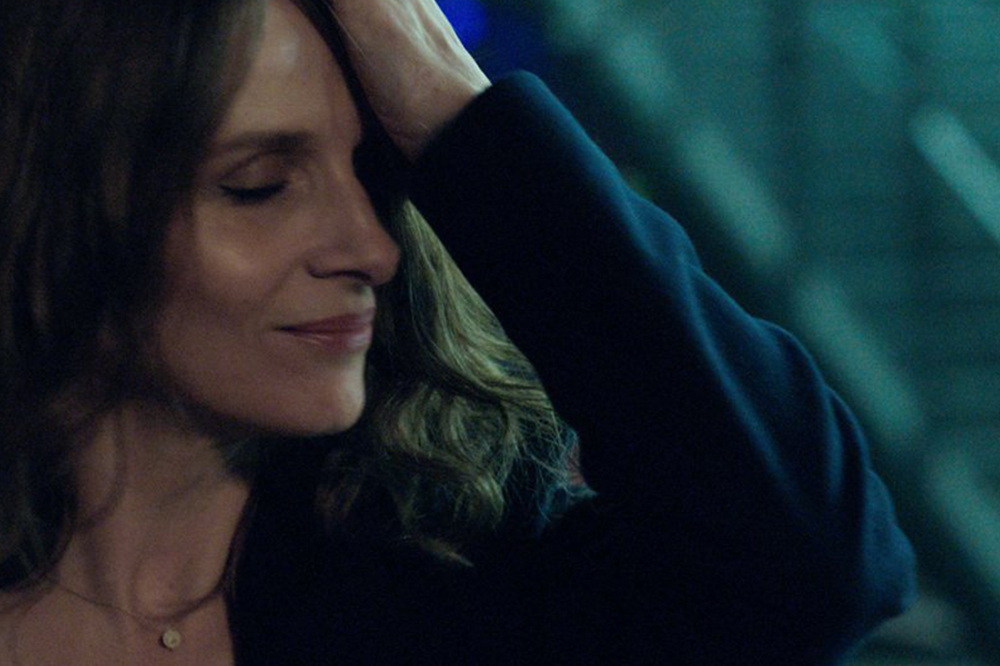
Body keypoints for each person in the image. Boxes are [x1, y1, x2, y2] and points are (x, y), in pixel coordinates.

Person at [0, 0, 916, 664]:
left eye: (375, 174)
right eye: (259, 187)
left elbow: (813, 566)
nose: (372, 249)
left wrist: (449, 103)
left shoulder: (467, 592)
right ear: (51, 214)